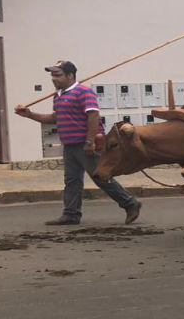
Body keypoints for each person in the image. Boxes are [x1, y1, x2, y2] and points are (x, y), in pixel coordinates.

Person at [14, 61, 141, 226]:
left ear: (70, 76)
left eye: (58, 75)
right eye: (52, 75)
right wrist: (29, 114)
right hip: (69, 144)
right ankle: (71, 214)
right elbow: (54, 118)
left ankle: (130, 203)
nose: (53, 78)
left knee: (100, 177)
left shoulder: (83, 92)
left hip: (85, 144)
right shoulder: (58, 95)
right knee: (72, 180)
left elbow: (93, 115)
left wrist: (89, 141)